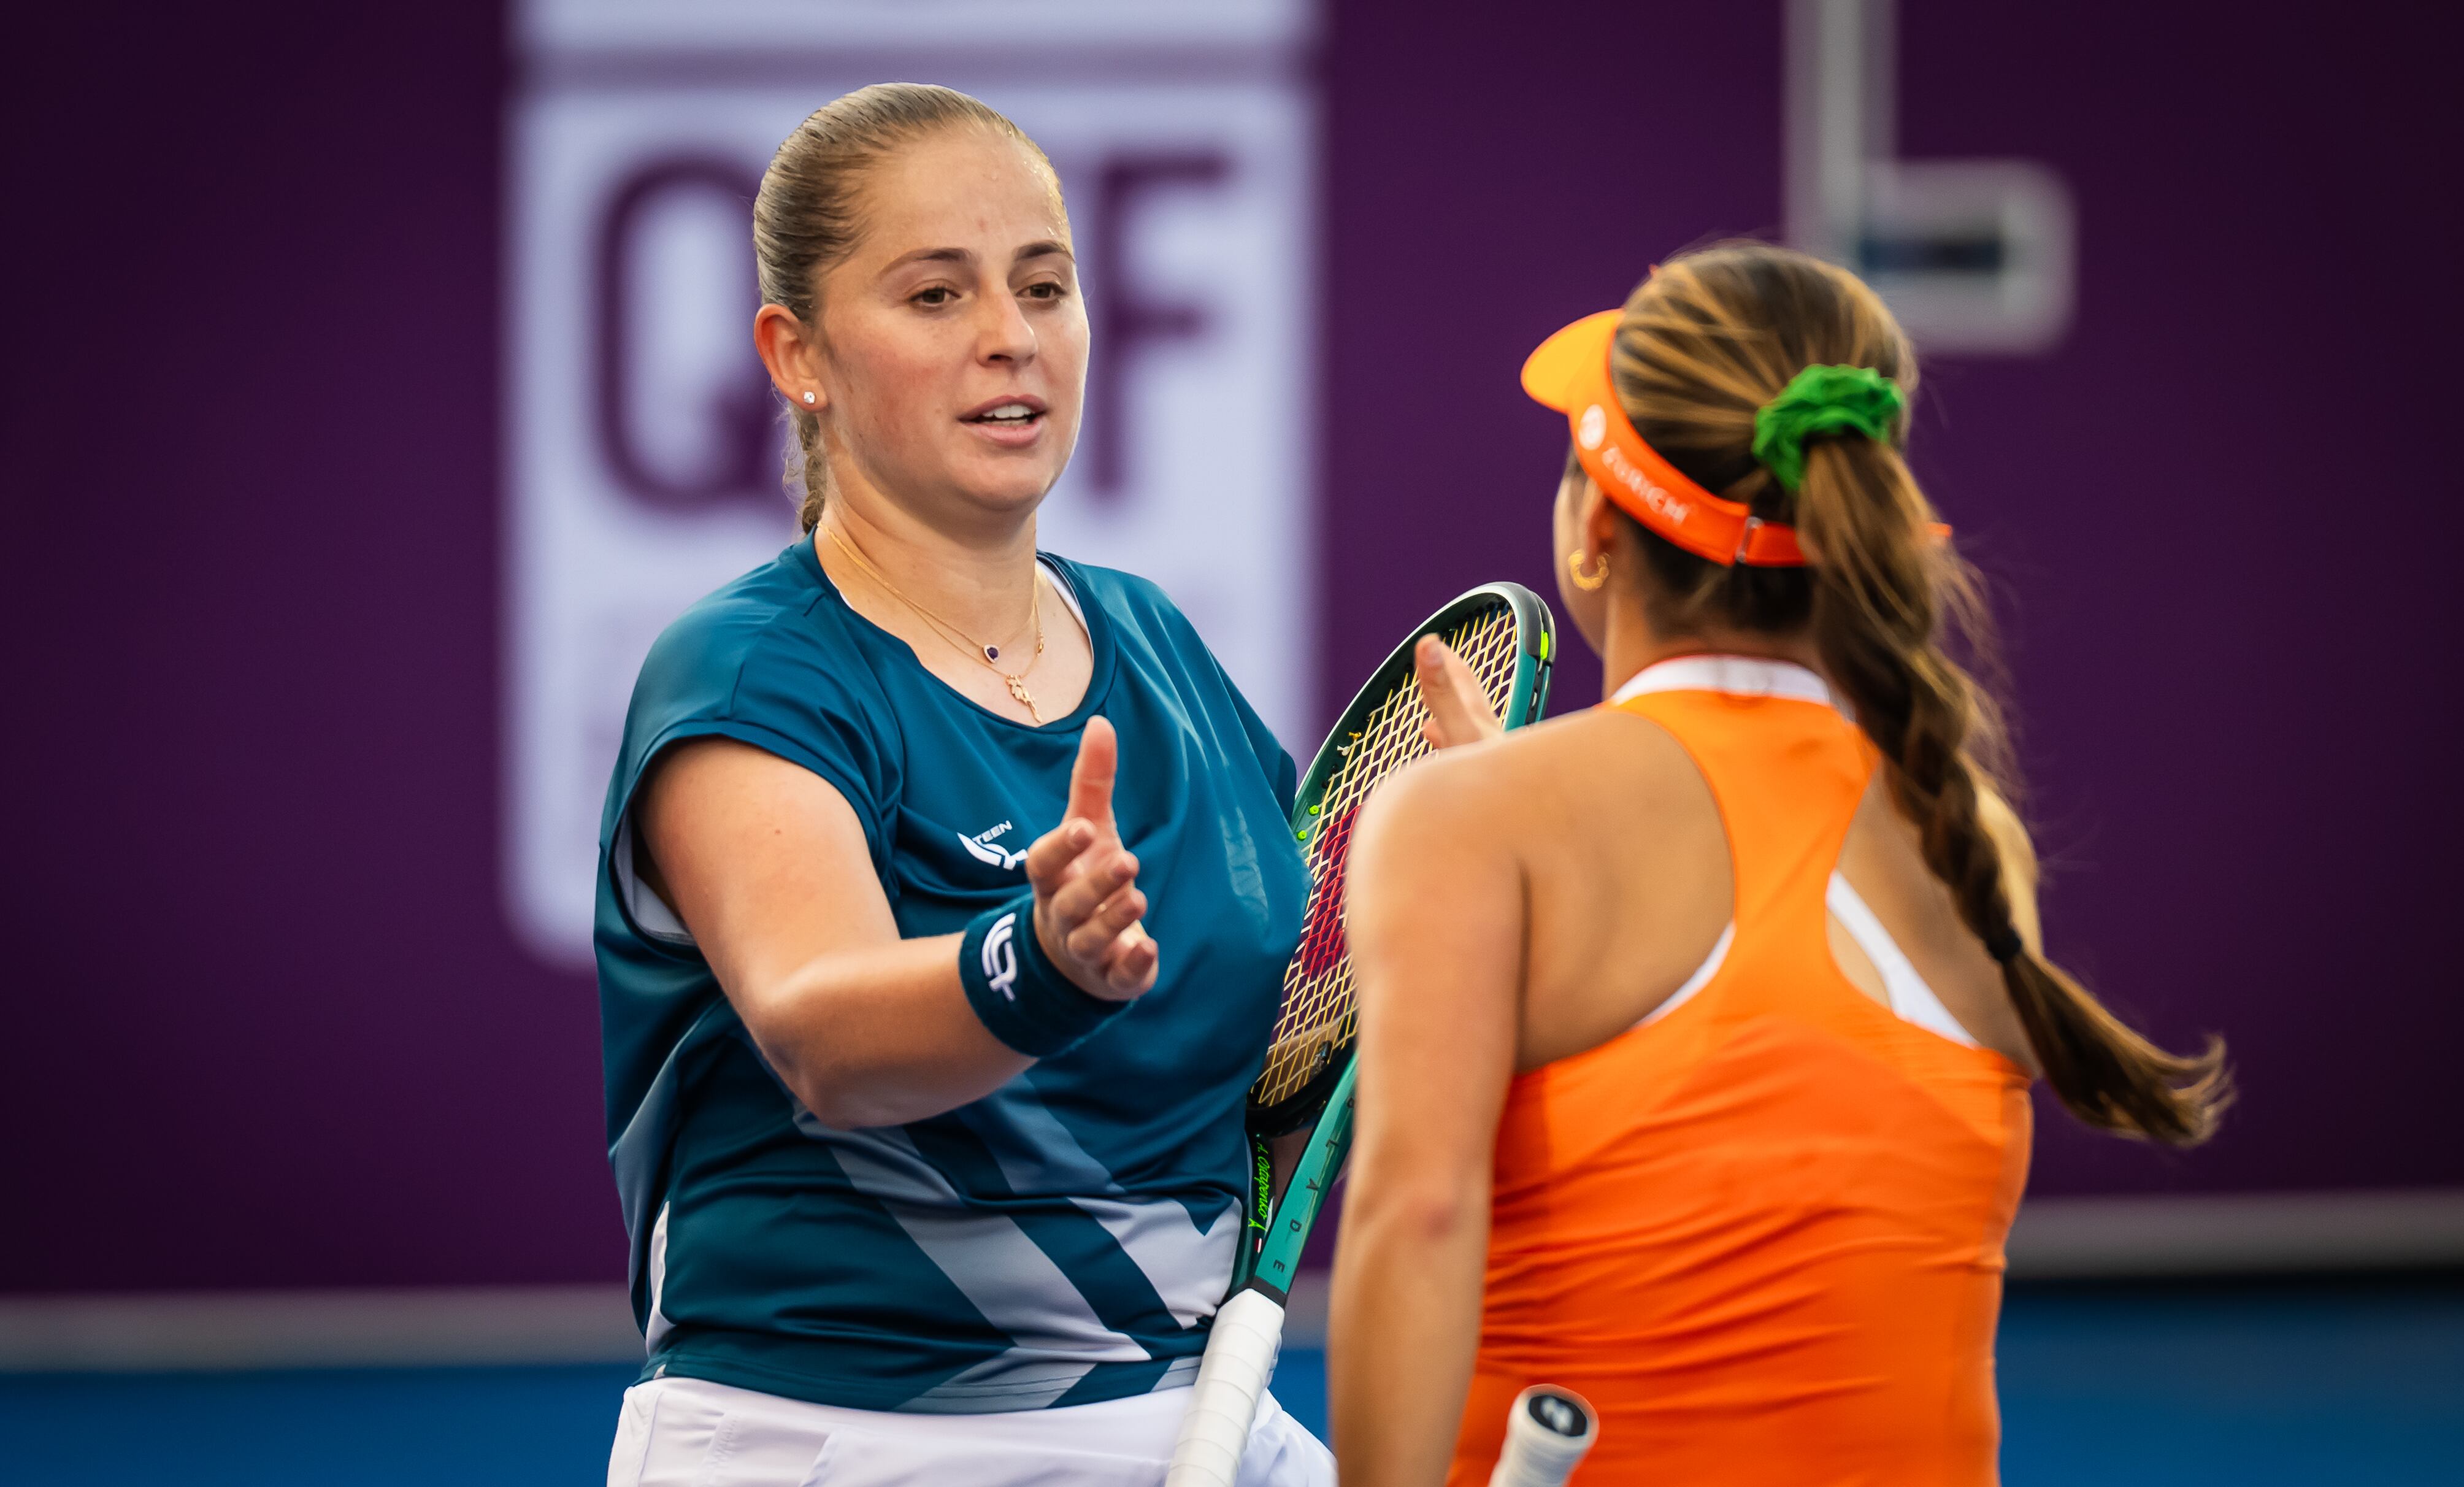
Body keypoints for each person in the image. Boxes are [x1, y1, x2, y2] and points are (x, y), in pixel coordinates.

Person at [1326, 242, 2232, 1487]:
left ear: (1595, 526)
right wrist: (1504, 818)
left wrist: (1483, 822)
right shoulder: (1971, 836)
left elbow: (1417, 1220)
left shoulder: (1471, 828)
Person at [594, 84, 1332, 1486]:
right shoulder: (746, 674)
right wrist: (1037, 967)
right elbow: (823, 1033)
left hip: (1202, 1421)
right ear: (795, 354)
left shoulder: (1159, 644)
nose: (1011, 335)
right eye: (935, 295)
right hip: (837, 1438)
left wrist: (1463, 887)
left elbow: (1303, 1035)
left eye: (1044, 285)